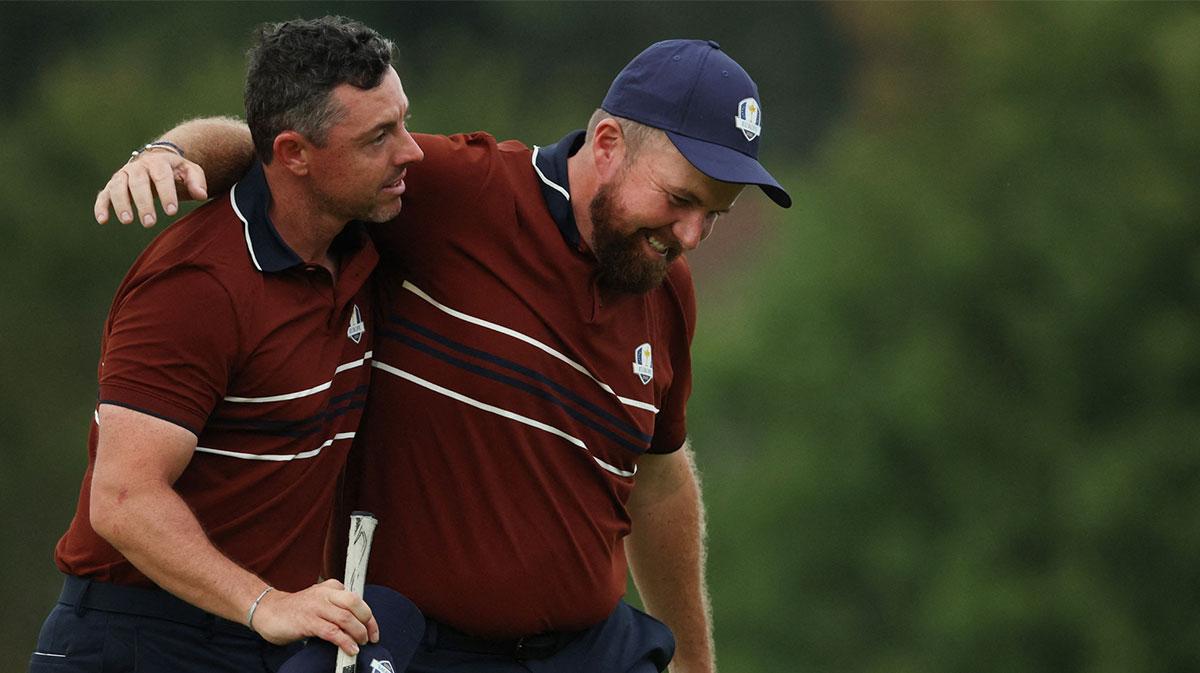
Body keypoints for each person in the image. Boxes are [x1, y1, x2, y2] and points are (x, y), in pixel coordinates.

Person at [95, 37, 791, 673]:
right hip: (417, 647)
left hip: (590, 651)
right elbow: (293, 153)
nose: (692, 235)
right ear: (607, 142)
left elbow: (659, 479)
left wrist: (695, 665)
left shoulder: (665, 287)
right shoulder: (459, 190)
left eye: (714, 214)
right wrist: (171, 154)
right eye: (679, 200)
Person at [32, 17, 426, 673]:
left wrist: (177, 147)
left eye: (403, 121)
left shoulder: (355, 240)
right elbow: (124, 500)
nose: (410, 151)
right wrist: (264, 602)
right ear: (297, 154)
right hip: (136, 638)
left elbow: (246, 146)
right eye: (379, 137)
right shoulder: (197, 285)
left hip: (253, 633)